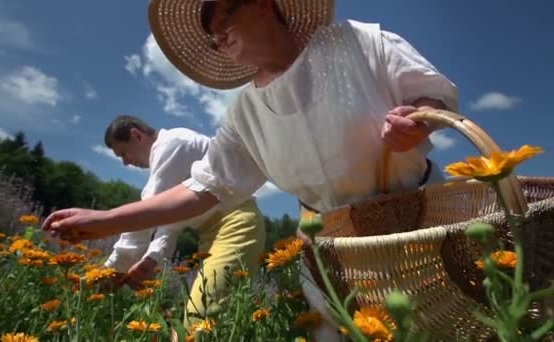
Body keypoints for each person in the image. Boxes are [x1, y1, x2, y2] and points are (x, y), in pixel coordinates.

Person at [44, 0, 457, 338]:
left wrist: (420, 117)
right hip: (331, 248)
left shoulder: (361, 43)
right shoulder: (245, 113)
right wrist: (106, 221)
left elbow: (432, 97)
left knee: (446, 325)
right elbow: (201, 189)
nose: (217, 34)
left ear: (263, 4)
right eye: (210, 33)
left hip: (423, 222)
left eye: (223, 13)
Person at [98, 114, 266, 321]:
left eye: (123, 153)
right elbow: (170, 221)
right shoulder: (173, 150)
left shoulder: (172, 145)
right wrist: (152, 259)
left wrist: (110, 271)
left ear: (136, 135)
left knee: (199, 318)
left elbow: (148, 211)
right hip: (215, 233)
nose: (125, 163)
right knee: (208, 320)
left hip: (235, 226)